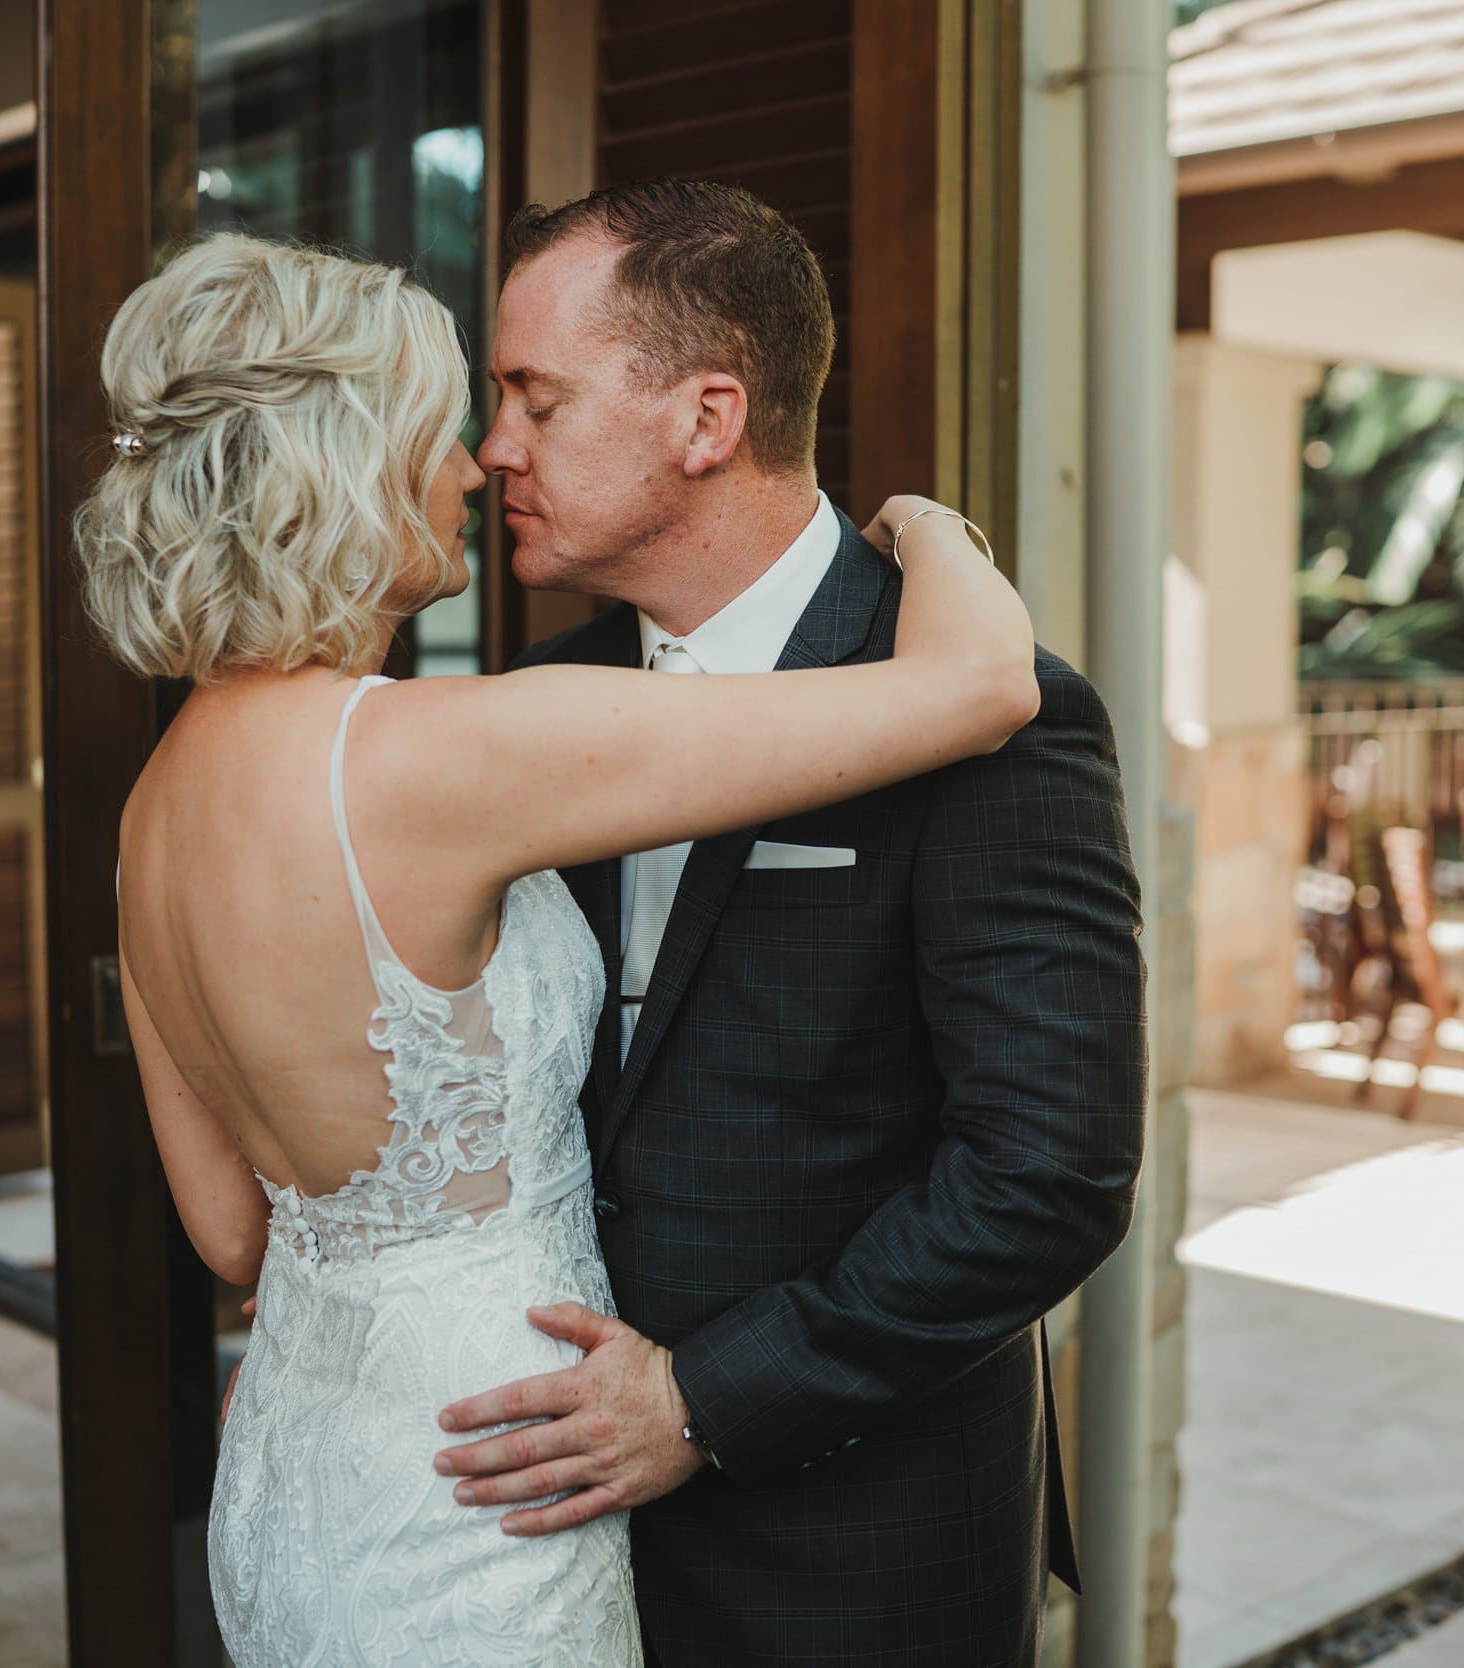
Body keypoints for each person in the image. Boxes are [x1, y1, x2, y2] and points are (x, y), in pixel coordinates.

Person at [84, 229, 1039, 1668]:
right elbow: (979, 683)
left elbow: (233, 1230)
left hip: (306, 1459)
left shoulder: (149, 811)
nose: (477, 466)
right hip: (492, 1476)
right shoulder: (441, 753)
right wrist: (928, 523)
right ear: (346, 470)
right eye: (441, 430)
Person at [430, 179, 1150, 1666]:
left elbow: (1049, 1174)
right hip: (549, 1532)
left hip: (858, 1541)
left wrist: (700, 1401)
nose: (495, 447)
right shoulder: (543, 698)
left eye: (537, 401)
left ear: (706, 419)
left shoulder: (985, 707)